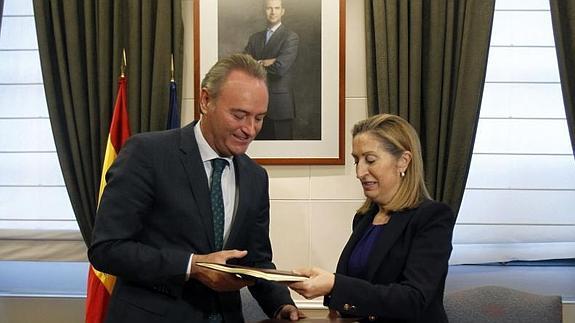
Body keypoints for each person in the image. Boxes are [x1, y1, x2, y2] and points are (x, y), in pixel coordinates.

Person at [88, 53, 303, 322]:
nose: (250, 129)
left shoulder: (255, 177)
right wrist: (191, 266)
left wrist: (280, 305)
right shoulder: (147, 154)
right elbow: (107, 249)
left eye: (259, 118)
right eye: (239, 115)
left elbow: (256, 260)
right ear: (205, 100)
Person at [288, 114, 456, 322]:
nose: (359, 172)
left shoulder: (432, 218)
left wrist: (334, 285)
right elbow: (363, 289)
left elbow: (413, 299)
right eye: (356, 160)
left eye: (370, 160)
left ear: (403, 161)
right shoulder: (364, 219)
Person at [245, 0, 299, 140]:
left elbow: (280, 68)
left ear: (283, 11)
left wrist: (257, 63)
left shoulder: (290, 37)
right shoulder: (255, 38)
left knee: (283, 154)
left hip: (280, 107)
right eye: (269, 8)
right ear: (264, 11)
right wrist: (266, 61)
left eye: (276, 8)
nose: (273, 12)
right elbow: (244, 65)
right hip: (255, 106)